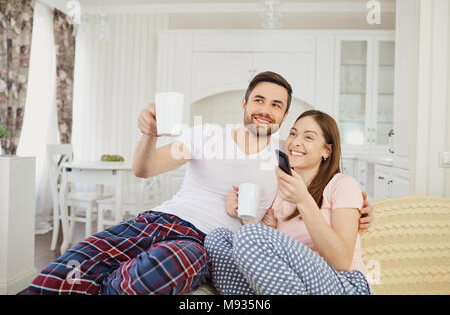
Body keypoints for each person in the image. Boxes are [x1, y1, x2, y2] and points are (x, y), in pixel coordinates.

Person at [26, 72, 373, 295]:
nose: (265, 110)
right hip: (155, 220)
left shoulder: (287, 158)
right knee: (65, 270)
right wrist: (148, 135)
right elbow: (144, 169)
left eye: (277, 105)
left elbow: (324, 181)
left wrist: (361, 206)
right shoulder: (205, 134)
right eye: (259, 100)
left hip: (200, 242)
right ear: (245, 103)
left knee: (163, 268)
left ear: (284, 116)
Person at [205, 110, 375, 295]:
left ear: (326, 150)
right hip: (296, 285)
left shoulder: (342, 184)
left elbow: (341, 261)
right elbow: (269, 259)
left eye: (309, 137)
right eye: (293, 133)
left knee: (248, 236)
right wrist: (245, 215)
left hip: (344, 284)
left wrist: (303, 200)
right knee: (218, 239)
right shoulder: (280, 194)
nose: (295, 142)